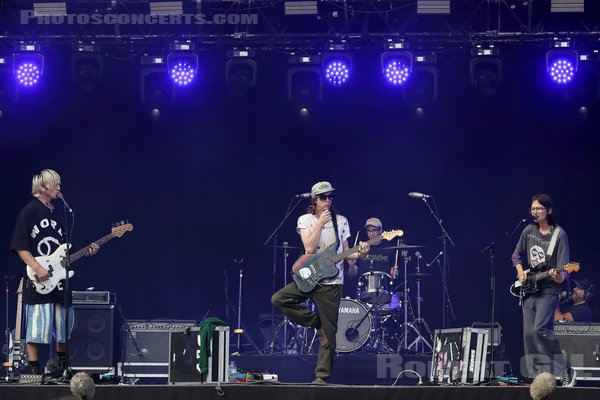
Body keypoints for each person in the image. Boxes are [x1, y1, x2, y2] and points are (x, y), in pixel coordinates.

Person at [271, 181, 369, 384]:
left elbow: (347, 253)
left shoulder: (341, 221)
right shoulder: (305, 220)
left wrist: (360, 254)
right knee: (279, 299)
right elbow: (308, 248)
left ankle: (321, 376)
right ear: (314, 200)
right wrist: (319, 224)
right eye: (323, 197)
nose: (328, 201)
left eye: (331, 197)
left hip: (332, 282)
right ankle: (317, 325)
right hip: (309, 277)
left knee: (331, 331)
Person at [10, 169, 99, 375]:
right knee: (37, 323)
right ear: (43, 187)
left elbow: (65, 246)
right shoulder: (29, 211)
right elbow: (20, 246)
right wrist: (37, 267)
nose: (59, 188)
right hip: (38, 276)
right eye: (55, 184)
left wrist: (87, 252)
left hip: (59, 277)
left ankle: (61, 367)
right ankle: (33, 370)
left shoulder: (59, 212)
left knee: (63, 322)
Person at [512, 194, 575, 386]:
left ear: (548, 210)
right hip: (530, 289)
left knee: (541, 330)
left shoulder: (559, 235)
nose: (535, 212)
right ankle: (540, 376)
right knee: (529, 335)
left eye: (539, 208)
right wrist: (521, 272)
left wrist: (558, 275)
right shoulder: (528, 231)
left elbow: (564, 272)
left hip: (549, 290)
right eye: (532, 209)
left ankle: (565, 369)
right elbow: (516, 256)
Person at [347, 218, 400, 302]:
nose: (371, 233)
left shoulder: (390, 249)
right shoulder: (361, 248)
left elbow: (393, 275)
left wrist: (394, 273)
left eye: (374, 230)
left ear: (381, 230)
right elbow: (351, 276)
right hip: (363, 294)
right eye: (369, 231)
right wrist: (351, 266)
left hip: (383, 293)